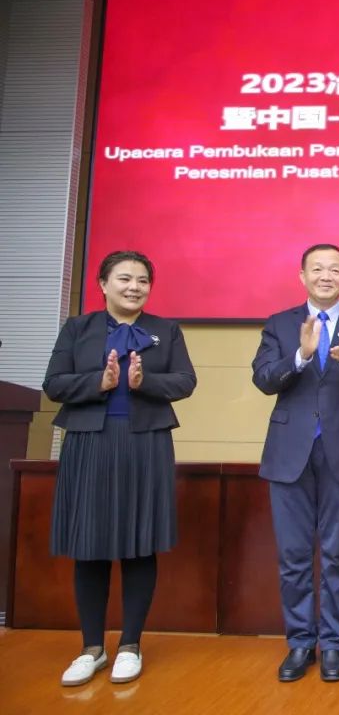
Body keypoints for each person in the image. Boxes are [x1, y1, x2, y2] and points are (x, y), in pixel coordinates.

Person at [44, 250, 197, 686]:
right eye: (125, 278)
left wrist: (143, 383)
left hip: (145, 443)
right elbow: (54, 383)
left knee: (139, 543)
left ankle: (130, 645)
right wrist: (100, 382)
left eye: (142, 280)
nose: (134, 287)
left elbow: (185, 381)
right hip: (89, 443)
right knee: (88, 543)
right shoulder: (78, 329)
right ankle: (91, 648)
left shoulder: (165, 330)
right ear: (103, 283)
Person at [252, 243, 339, 683]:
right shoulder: (280, 324)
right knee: (293, 556)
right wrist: (300, 356)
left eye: (334, 270)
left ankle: (333, 645)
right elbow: (263, 379)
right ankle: (299, 643)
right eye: (317, 269)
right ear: (302, 276)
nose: (325, 276)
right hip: (289, 453)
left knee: (337, 556)